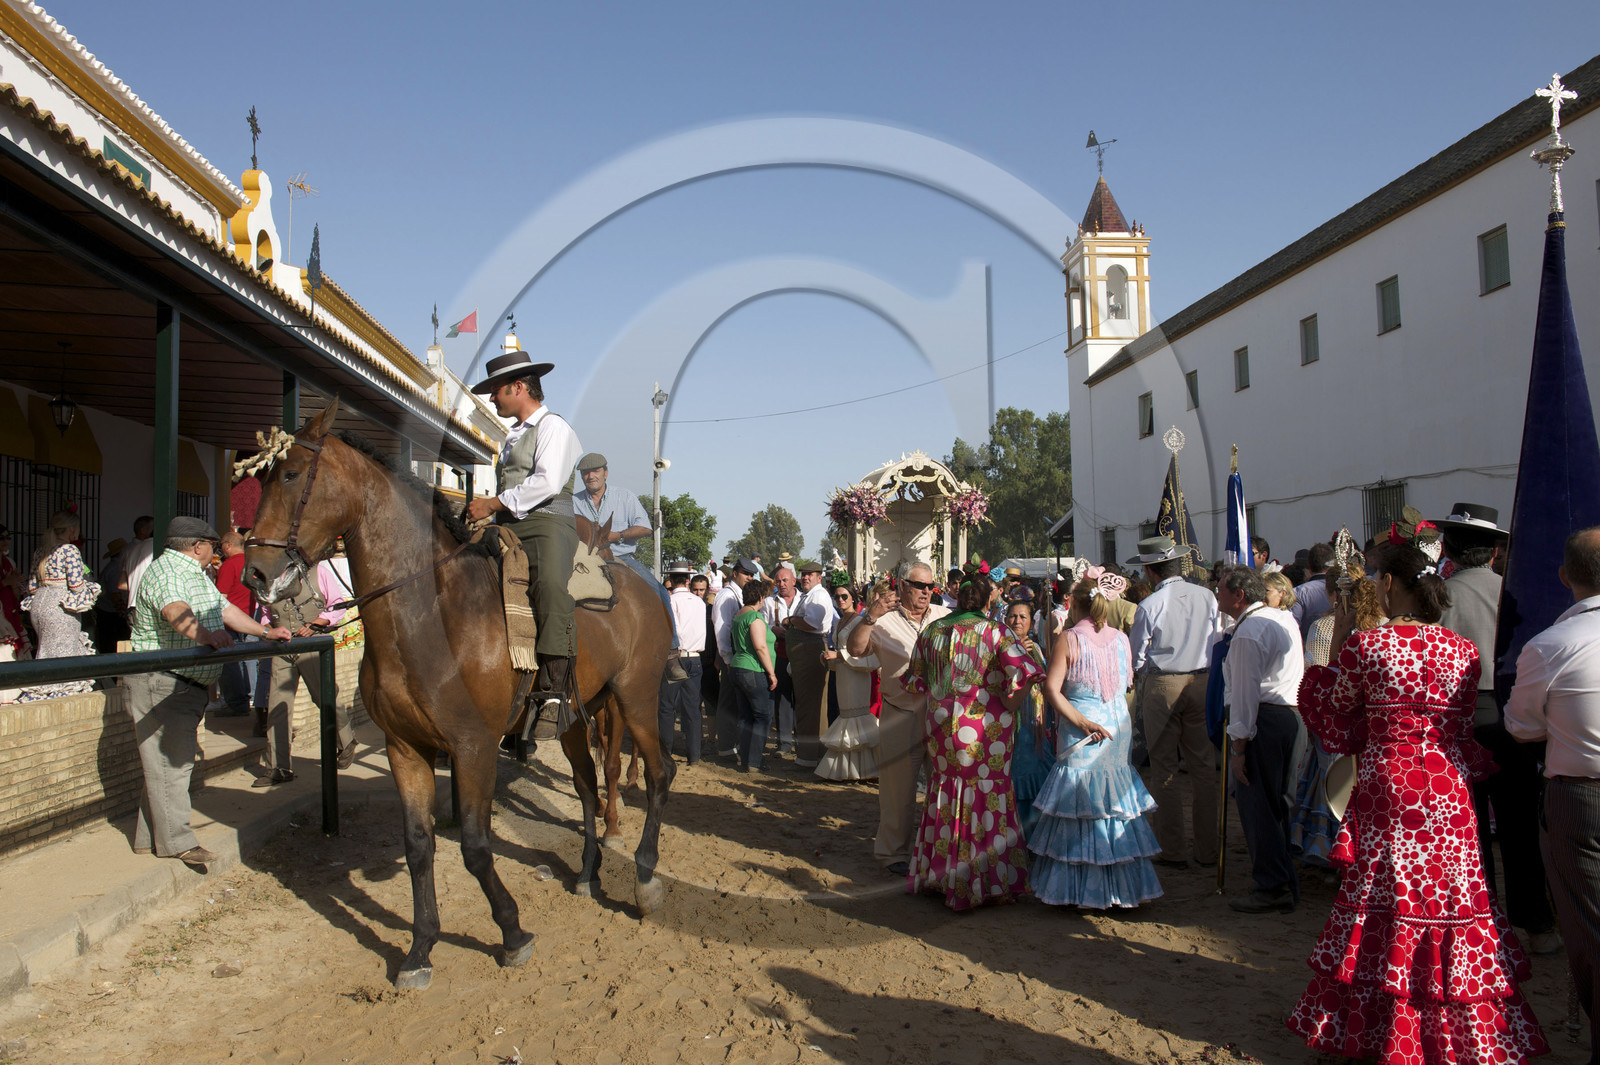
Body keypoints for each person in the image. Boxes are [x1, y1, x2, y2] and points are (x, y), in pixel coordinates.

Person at [1288, 542, 1548, 1063]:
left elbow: (1337, 719)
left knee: (1388, 897)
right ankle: (1466, 1034)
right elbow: (1458, 726)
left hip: (1391, 782)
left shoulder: (1369, 646)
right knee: (1452, 898)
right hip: (1447, 787)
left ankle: (1389, 1029)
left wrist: (1338, 650)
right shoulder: (1462, 650)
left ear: (1388, 584)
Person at [130, 517, 290, 865]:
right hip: (165, 680)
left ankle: (148, 839)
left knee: (162, 764)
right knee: (173, 765)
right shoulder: (169, 572)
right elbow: (175, 611)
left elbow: (225, 609)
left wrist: (265, 634)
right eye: (212, 547)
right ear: (198, 546)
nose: (214, 554)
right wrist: (208, 636)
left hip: (184, 682)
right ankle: (177, 843)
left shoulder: (193, 573)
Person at [1436, 503, 1559, 954]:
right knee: (1520, 825)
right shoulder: (1515, 592)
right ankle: (1537, 924)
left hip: (1462, 716)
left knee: (1469, 830)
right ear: (1492, 552)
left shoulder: (1441, 596)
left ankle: (1483, 928)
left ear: (1448, 548)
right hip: (1513, 714)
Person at [901, 564, 1059, 910]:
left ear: (957, 596)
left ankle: (939, 874)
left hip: (942, 725)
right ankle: (987, 879)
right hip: (985, 730)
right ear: (989, 599)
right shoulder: (997, 633)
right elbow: (1022, 676)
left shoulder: (931, 631)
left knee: (946, 791)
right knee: (987, 795)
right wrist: (1013, 701)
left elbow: (916, 683)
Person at [1505, 525, 1600, 1061]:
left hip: (1582, 802)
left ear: (1565, 577)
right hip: (1578, 796)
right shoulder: (1551, 643)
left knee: (1590, 929)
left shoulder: (1552, 644)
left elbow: (1522, 727)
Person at [1029, 570, 1158, 908]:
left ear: (1075, 605)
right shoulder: (1120, 638)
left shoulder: (1069, 638)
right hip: (1116, 726)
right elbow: (1125, 685)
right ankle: (1120, 889)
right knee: (1113, 806)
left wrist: (1081, 721)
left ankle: (1077, 889)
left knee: (1079, 806)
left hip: (1082, 729)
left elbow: (1051, 689)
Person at [466, 348, 581, 706]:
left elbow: (547, 483)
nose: (491, 398)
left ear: (518, 387)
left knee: (548, 585)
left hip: (547, 524)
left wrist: (493, 503)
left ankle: (554, 690)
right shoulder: (512, 435)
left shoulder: (554, 427)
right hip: (508, 525)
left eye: (495, 390)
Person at [847, 561, 951, 876]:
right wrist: (870, 615)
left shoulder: (944, 616)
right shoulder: (882, 620)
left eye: (930, 586)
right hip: (900, 712)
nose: (926, 591)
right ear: (902, 585)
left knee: (944, 787)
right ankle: (893, 853)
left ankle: (940, 852)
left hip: (941, 716)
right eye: (919, 585)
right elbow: (855, 648)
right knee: (897, 791)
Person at [1125, 535, 1224, 868]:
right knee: (1203, 768)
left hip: (1164, 682)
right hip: (1202, 680)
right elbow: (1218, 637)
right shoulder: (1207, 596)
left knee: (1164, 769)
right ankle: (1208, 850)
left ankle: (1173, 849)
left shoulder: (1151, 605)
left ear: (1152, 572)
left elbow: (1136, 656)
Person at [1216, 566, 1305, 914]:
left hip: (1265, 719)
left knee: (1259, 807)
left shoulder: (1250, 632)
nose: (1217, 594)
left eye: (1222, 589)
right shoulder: (1280, 619)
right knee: (1277, 804)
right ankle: (1282, 879)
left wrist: (1239, 745)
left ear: (1239, 596)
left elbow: (1245, 694)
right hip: (1287, 716)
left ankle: (1272, 884)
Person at [1293, 558, 1384, 871]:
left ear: (1333, 593)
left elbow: (1320, 675)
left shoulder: (1325, 626)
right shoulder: (1384, 624)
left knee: (1334, 783)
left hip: (1341, 717)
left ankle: (1335, 852)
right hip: (1374, 719)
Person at [572, 453, 686, 681]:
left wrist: (619, 535)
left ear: (606, 472)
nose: (590, 476)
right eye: (586, 472)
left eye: (595, 471)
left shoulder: (624, 496)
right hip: (584, 561)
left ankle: (672, 655)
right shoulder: (573, 501)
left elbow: (644, 527)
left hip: (622, 558)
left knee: (660, 591)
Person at [255, 559, 355, 786]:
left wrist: (317, 623)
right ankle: (277, 767)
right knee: (278, 706)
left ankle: (346, 740)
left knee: (324, 695)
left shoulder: (317, 571)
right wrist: (270, 629)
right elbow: (265, 613)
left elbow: (336, 604)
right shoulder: (268, 577)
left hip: (313, 644)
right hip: (282, 646)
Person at [18, 513, 100, 702]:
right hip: (60, 605)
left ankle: (43, 693)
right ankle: (60, 698)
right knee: (63, 653)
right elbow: (76, 585)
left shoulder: (41, 551)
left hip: (40, 604)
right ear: (72, 529)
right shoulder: (69, 550)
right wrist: (92, 589)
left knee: (46, 651)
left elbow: (31, 585)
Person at [816, 580, 880, 780]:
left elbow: (868, 654)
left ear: (854, 597)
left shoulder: (861, 622)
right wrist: (827, 657)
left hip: (857, 676)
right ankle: (848, 769)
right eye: (837, 597)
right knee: (845, 715)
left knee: (857, 716)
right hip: (842, 676)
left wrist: (840, 656)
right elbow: (837, 652)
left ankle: (867, 769)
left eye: (844, 596)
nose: (840, 600)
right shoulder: (838, 622)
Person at [1004, 598, 1053, 845]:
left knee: (1036, 769)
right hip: (1010, 718)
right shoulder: (1000, 646)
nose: (1018, 621)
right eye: (1013, 616)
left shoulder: (1037, 648)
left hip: (1034, 718)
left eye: (1023, 617)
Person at [785, 561, 836, 767]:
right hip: (806, 649)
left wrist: (791, 621)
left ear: (819, 577)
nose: (805, 577)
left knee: (808, 704)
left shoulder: (818, 596)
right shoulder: (811, 595)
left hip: (810, 648)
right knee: (811, 704)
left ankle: (808, 756)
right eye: (803, 574)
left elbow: (812, 623)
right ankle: (814, 754)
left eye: (810, 574)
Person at [728, 579, 778, 773]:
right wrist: (772, 673)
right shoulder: (754, 617)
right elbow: (760, 646)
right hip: (753, 670)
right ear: (760, 598)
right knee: (763, 716)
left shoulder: (738, 616)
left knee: (746, 716)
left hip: (738, 667)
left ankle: (746, 757)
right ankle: (755, 761)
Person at [660, 563, 707, 765]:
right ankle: (694, 756)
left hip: (674, 657)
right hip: (695, 657)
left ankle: (665, 751)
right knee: (692, 709)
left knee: (666, 707)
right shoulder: (699, 602)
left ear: (671, 579)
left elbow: (673, 631)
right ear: (688, 580)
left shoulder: (670, 601)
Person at [713, 558, 760, 759]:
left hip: (736, 656)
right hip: (731, 656)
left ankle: (731, 745)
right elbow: (722, 630)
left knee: (735, 703)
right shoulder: (727, 596)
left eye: (751, 575)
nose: (749, 578)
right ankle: (725, 747)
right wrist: (727, 659)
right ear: (735, 573)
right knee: (728, 702)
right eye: (745, 574)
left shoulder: (736, 595)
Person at [213, 531, 260, 718]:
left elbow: (221, 597)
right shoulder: (253, 563)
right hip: (251, 617)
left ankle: (237, 703)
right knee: (250, 659)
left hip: (232, 620)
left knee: (230, 661)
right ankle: (253, 697)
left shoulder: (229, 565)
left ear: (227, 546)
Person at [761, 562, 801, 758]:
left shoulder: (804, 600)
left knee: (801, 698)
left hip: (800, 654)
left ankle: (802, 741)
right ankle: (784, 742)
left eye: (785, 580)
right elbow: (761, 625)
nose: (782, 584)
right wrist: (771, 630)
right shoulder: (769, 602)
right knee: (783, 699)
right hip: (780, 655)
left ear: (794, 581)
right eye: (778, 581)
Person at [1290, 541, 1335, 637]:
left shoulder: (1299, 593)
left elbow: (1293, 627)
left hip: (1308, 647)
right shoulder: (1343, 589)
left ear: (1309, 567)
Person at [93, 538, 130, 654]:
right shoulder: (115, 569)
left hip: (106, 611)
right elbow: (116, 596)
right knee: (112, 644)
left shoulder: (112, 566)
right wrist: (123, 613)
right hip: (110, 613)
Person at [118, 515, 155, 619]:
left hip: (131, 605)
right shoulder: (155, 549)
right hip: (146, 606)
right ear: (143, 530)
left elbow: (121, 584)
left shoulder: (131, 550)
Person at [0, 524, 28, 660]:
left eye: (8, 537)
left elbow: (15, 595)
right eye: (1, 538)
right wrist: (5, 582)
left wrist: (14, 583)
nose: (6, 541)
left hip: (10, 614)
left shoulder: (9, 563)